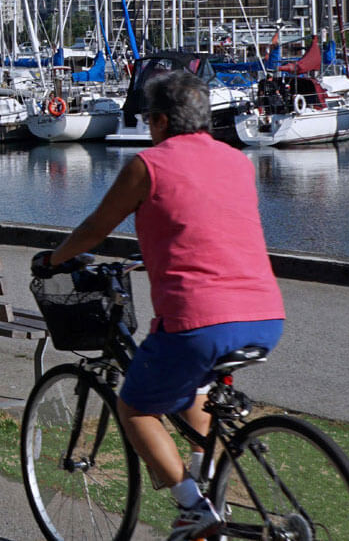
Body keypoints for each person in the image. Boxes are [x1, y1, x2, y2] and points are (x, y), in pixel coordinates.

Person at [32, 71, 286, 540]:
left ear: (162, 121)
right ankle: (207, 475)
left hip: (198, 322)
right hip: (266, 315)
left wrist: (53, 259)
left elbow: (94, 229)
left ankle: (194, 507)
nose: (148, 127)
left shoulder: (148, 166)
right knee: (198, 394)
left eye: (149, 119)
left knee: (135, 408)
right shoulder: (237, 162)